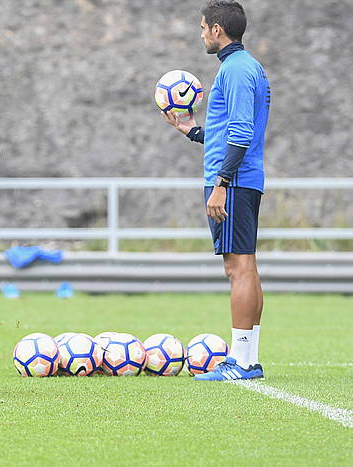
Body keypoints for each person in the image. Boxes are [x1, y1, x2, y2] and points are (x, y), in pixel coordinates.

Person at [163, 0, 270, 380]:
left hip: (235, 181)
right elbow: (231, 133)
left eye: (203, 27)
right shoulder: (243, 67)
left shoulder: (237, 71)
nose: (201, 33)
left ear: (217, 31)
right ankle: (248, 359)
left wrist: (221, 184)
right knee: (246, 267)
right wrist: (193, 132)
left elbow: (241, 134)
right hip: (242, 177)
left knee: (237, 269)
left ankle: (241, 363)